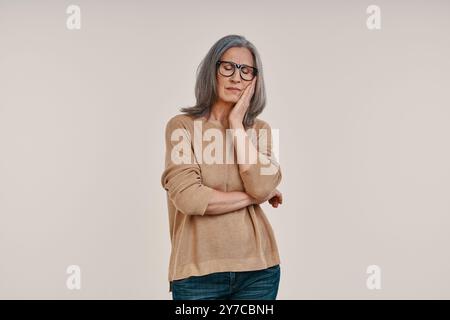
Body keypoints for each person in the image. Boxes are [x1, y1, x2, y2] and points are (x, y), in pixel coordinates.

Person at [161, 34, 283, 300]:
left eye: (245, 70)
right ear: (212, 71)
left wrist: (237, 122)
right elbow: (190, 199)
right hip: (196, 274)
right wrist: (255, 197)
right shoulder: (181, 127)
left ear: (254, 80)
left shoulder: (260, 131)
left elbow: (263, 184)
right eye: (228, 66)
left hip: (259, 271)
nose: (236, 77)